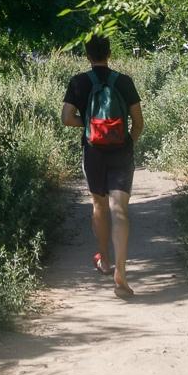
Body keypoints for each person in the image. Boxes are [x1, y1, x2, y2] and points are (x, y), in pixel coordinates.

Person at [61, 33, 144, 297]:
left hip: (93, 151)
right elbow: (139, 122)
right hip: (121, 151)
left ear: (88, 56)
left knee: (99, 205)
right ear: (109, 54)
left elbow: (66, 118)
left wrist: (88, 125)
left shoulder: (79, 82)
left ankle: (105, 260)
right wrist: (127, 141)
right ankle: (121, 271)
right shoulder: (124, 82)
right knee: (119, 209)